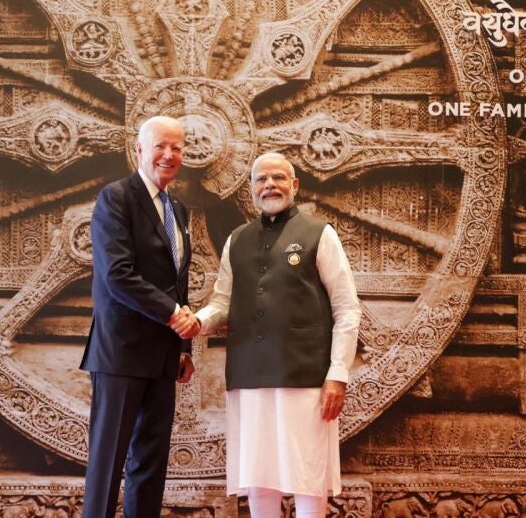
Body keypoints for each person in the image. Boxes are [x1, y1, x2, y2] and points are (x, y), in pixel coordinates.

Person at [179, 152, 361, 518]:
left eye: (278, 177)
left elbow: (347, 307)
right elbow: (223, 303)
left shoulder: (319, 233)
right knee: (258, 476)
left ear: (295, 185)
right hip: (248, 376)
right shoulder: (237, 240)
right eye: (261, 179)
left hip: (305, 376)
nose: (270, 185)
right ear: (251, 189)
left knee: (308, 475)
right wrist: (197, 321)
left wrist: (337, 374)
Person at [80, 115, 199, 518]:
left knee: (150, 464)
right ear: (139, 151)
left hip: (163, 356)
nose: (168, 154)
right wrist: (174, 316)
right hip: (120, 353)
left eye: (176, 147)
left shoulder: (177, 209)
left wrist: (183, 347)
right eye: (160, 146)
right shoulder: (116, 198)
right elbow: (117, 275)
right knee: (107, 465)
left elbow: (177, 282)